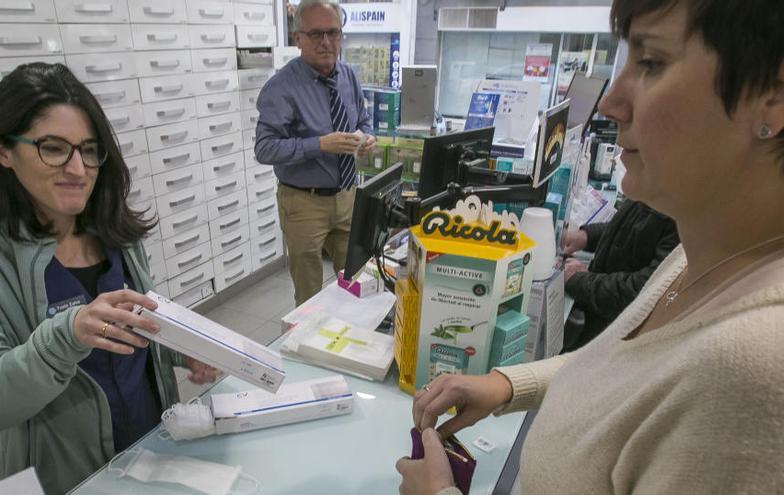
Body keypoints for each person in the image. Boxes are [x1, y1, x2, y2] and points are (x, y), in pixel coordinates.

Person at [397, 0, 784, 493]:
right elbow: (625, 371)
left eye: (651, 63)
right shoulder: (702, 253)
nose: (610, 103)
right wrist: (508, 385)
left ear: (771, 96)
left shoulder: (755, 376)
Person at [0, 63, 218, 494]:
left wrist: (180, 349)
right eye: (53, 148)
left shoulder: (112, 231)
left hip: (154, 450)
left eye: (89, 149)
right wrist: (67, 335)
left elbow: (135, 326)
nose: (78, 169)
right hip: (65, 477)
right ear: (3, 150)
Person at [255, 0, 376, 305]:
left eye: (333, 33)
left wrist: (368, 137)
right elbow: (264, 149)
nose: (326, 42)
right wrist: (320, 144)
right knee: (309, 296)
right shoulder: (281, 87)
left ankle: (349, 341)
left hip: (347, 196)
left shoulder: (348, 76)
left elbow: (362, 120)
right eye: (316, 34)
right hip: (303, 203)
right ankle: (308, 349)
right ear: (298, 39)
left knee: (356, 281)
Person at [560, 198, 679, 350]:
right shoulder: (658, 189)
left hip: (618, 332)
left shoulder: (685, 219)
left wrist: (578, 280)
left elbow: (644, 289)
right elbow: (630, 228)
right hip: (601, 315)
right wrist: (586, 237)